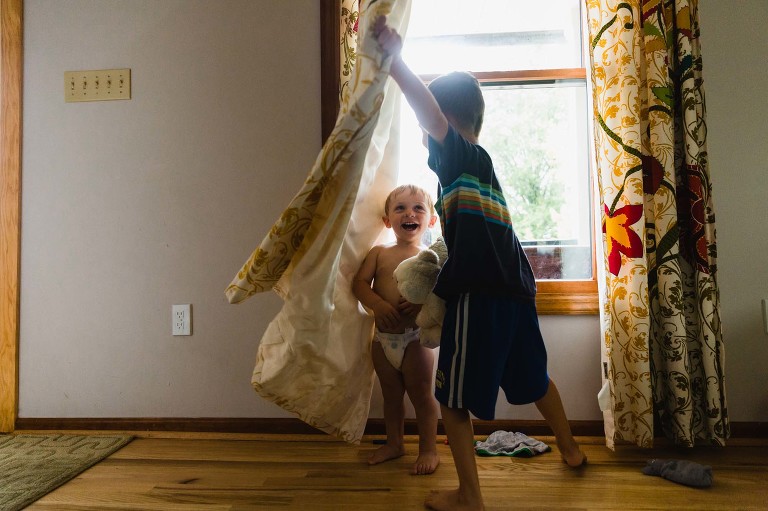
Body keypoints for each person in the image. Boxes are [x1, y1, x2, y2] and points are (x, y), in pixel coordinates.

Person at [374, 16, 586, 511]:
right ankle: (572, 450)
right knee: (535, 379)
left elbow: (429, 114)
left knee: (450, 401)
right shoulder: (478, 168)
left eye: (432, 130)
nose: (427, 140)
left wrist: (396, 59)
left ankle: (469, 495)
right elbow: (468, 246)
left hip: (483, 297)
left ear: (444, 121)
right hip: (516, 291)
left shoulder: (460, 157)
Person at [352, 184, 441, 476]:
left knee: (421, 396)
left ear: (431, 220)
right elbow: (360, 284)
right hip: (382, 339)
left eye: (418, 208)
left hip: (415, 340)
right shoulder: (379, 252)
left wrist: (419, 305)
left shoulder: (430, 258)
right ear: (388, 220)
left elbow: (440, 296)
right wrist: (377, 304)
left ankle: (429, 449)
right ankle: (395, 443)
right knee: (391, 397)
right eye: (400, 208)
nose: (409, 213)